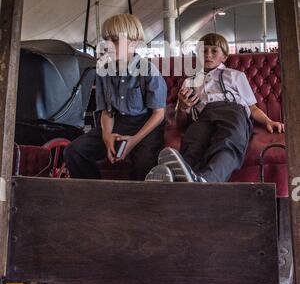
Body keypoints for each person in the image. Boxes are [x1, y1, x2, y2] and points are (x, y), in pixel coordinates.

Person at [146, 33, 284, 183]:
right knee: (193, 144)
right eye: (203, 51)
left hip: (232, 111)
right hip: (202, 117)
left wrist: (268, 121)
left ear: (224, 57)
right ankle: (185, 178)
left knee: (228, 142)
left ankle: (206, 179)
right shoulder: (189, 82)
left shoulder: (235, 76)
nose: (208, 55)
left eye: (214, 51)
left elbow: (252, 108)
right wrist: (183, 108)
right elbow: (181, 124)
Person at [64, 14, 167, 181]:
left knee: (143, 163)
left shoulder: (149, 71)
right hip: (117, 123)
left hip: (145, 126)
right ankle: (96, 194)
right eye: (106, 40)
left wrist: (133, 141)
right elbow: (107, 112)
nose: (108, 45)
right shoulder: (103, 72)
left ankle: (138, 202)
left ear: (133, 43)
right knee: (74, 151)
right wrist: (106, 136)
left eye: (115, 40)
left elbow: (158, 114)